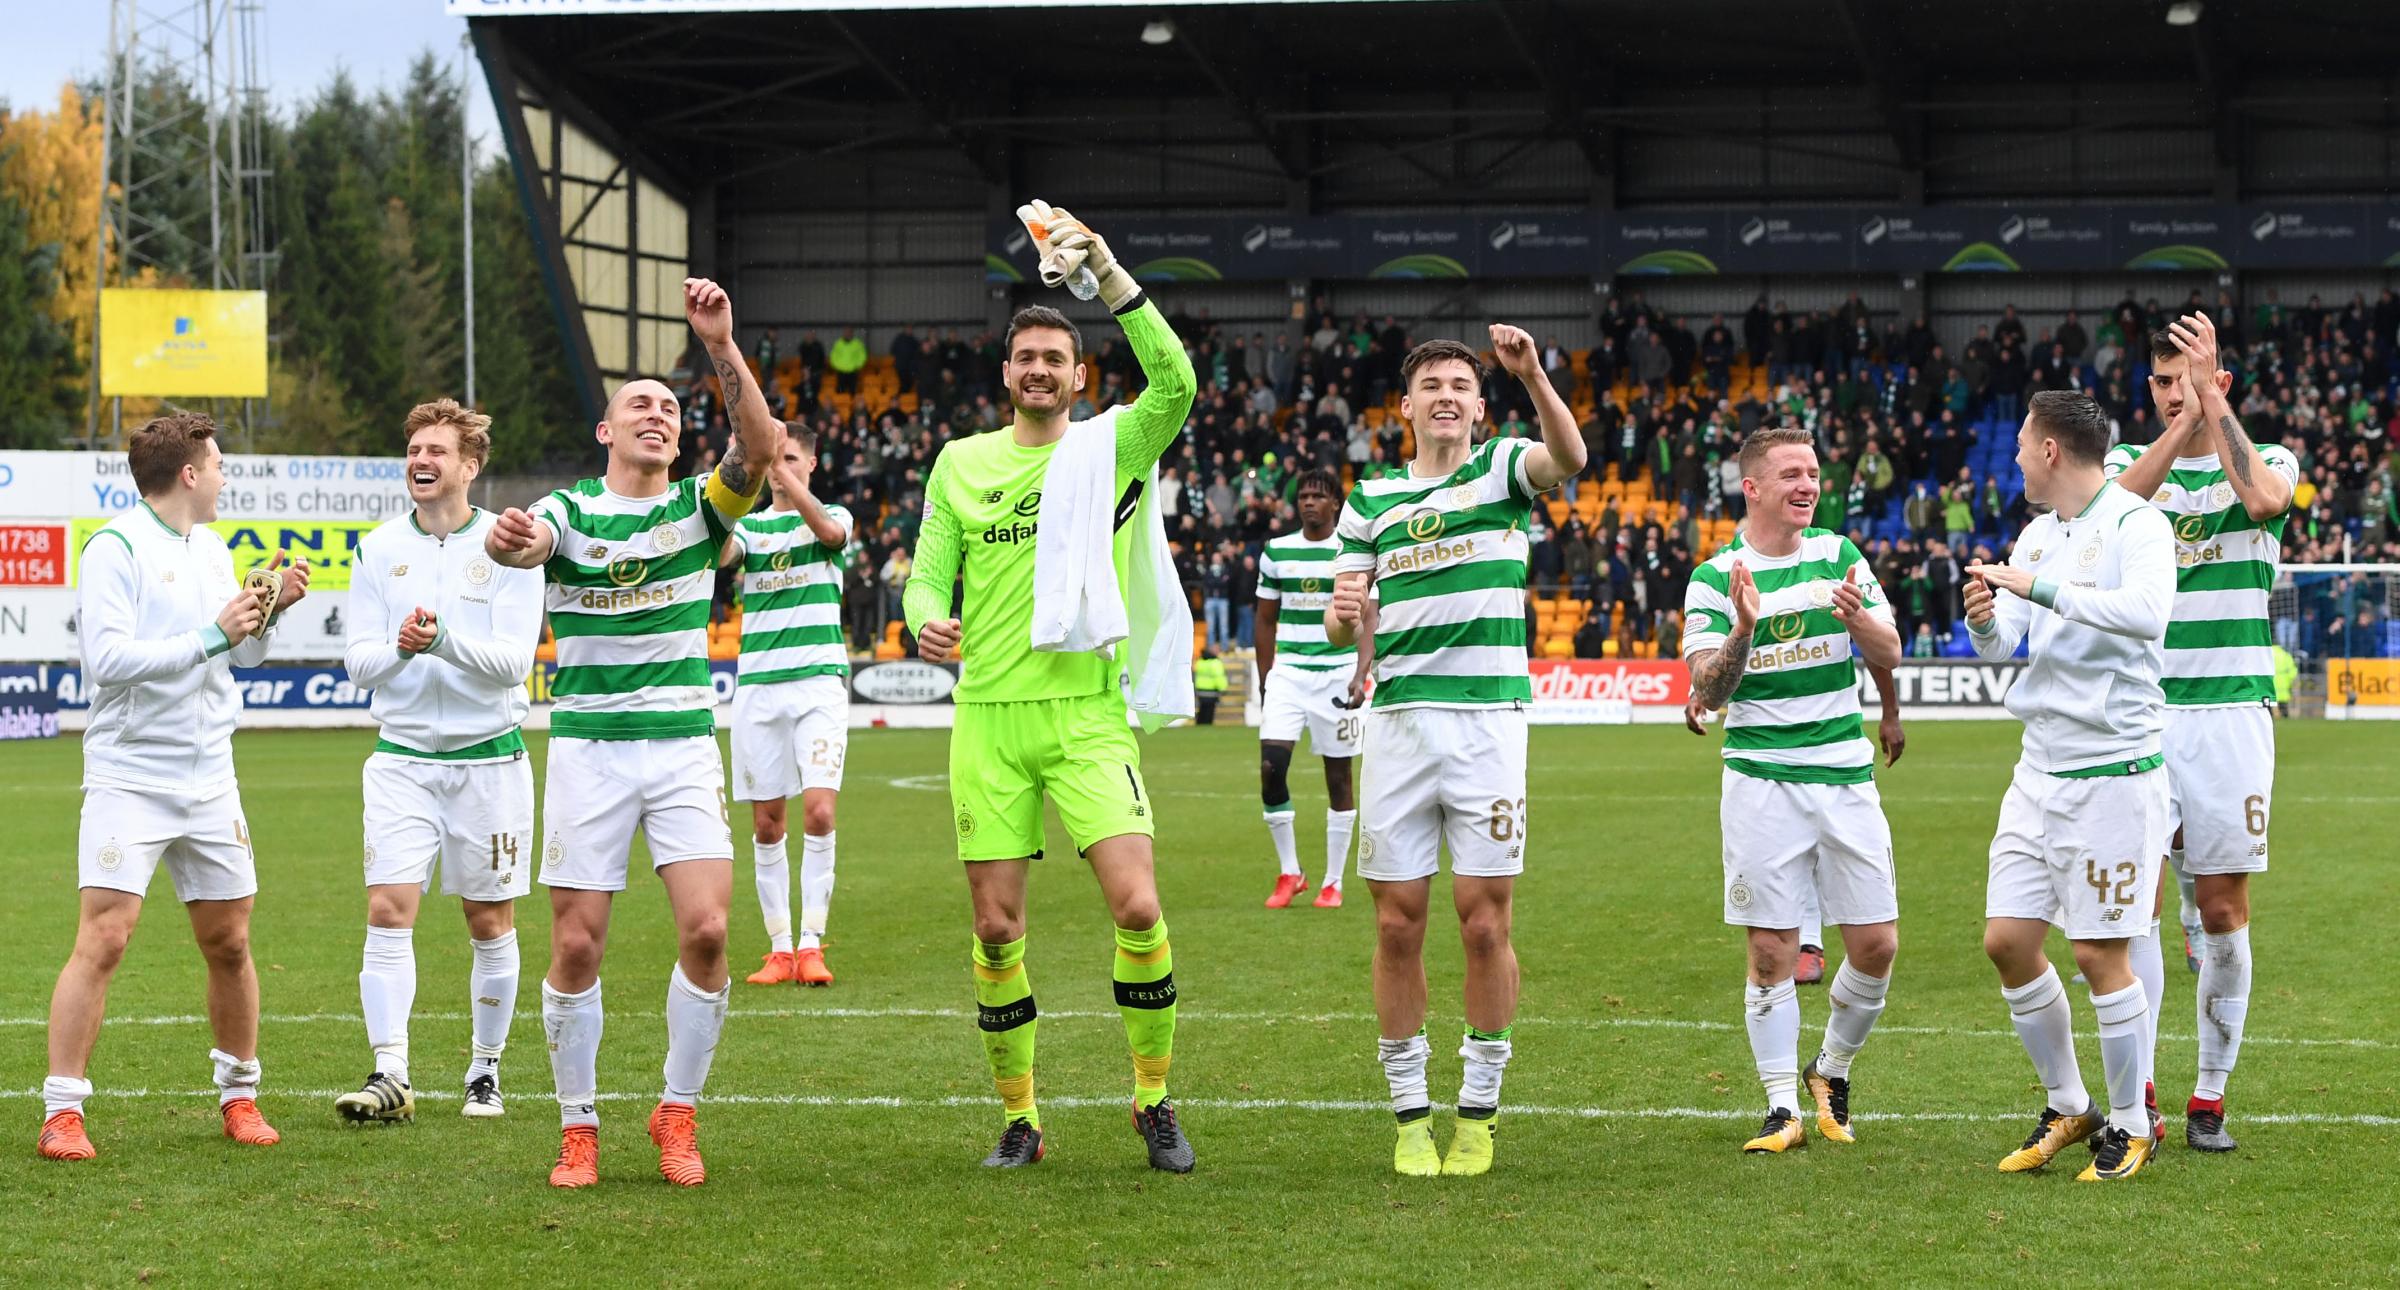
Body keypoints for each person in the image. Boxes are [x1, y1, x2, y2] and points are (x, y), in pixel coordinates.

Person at [901, 206, 1200, 1172]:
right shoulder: (960, 462)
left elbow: (1180, 381)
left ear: (1080, 376)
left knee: (1139, 908)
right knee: (995, 929)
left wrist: (1107, 272)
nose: (1039, 370)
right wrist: (918, 616)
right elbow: (924, 569)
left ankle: (1151, 1100)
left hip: (1086, 715)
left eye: (1055, 360)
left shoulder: (1112, 448)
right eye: (1024, 357)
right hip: (986, 716)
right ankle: (1020, 1119)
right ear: (1007, 374)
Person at [485, 277, 779, 1189]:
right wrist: (513, 543)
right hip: (589, 751)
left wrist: (720, 347)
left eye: (666, 405)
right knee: (575, 947)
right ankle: (579, 1128)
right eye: (635, 406)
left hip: (683, 747)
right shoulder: (573, 511)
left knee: (708, 933)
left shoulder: (702, 508)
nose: (655, 412)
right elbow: (534, 542)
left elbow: (761, 447)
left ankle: (676, 1112)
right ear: (606, 433)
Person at [1326, 325, 1586, 1178]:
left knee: (1484, 921)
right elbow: (1345, 621)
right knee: (1397, 921)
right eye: (1430, 384)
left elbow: (1571, 457)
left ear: (1478, 406)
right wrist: (1341, 612)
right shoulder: (1369, 501)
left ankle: (1478, 1112)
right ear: (1404, 407)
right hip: (1399, 728)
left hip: (1488, 727)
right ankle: (1409, 1116)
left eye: (1459, 386)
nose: (1445, 395)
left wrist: (1534, 374)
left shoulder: (1504, 468)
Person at [39, 412, 310, 1161]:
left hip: (211, 776)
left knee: (230, 941)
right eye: (218, 464)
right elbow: (109, 661)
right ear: (189, 474)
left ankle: (240, 1095)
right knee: (106, 936)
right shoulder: (114, 547)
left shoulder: (212, 546)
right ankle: (62, 1111)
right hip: (132, 774)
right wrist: (217, 634)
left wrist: (266, 618)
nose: (224, 476)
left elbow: (239, 662)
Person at [1966, 390, 2176, 1182]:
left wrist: (2034, 588)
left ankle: (2130, 1124)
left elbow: (2148, 613)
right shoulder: (2037, 534)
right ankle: (2070, 1102)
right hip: (2038, 767)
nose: (2015, 455)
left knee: (2098, 953)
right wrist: (1988, 617)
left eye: (2023, 442)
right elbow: (2003, 649)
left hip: (2112, 771)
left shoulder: (2136, 523)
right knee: (2008, 942)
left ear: (2052, 449)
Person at [2104, 315, 2298, 1153]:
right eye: (2160, 380)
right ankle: (2138, 1094)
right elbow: (2110, 513)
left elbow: (2263, 501)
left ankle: (2208, 1097)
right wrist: (2186, 419)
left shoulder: (2271, 458)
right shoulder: (2122, 470)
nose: (2172, 390)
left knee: (2220, 908)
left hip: (2230, 715)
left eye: (2189, 374)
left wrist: (2212, 410)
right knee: (2135, 912)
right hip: (2143, 713)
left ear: (2219, 378)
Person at [1679, 427, 1902, 1154]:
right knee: (1771, 952)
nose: (1807, 485)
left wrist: (1860, 618)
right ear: (1751, 487)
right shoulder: (1716, 579)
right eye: (1790, 475)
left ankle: (1830, 1068)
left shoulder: (1840, 556)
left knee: (1875, 946)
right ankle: (1781, 1107)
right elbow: (1707, 691)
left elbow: (1891, 650)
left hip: (1844, 777)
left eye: (1812, 472)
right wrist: (1744, 628)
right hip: (1761, 781)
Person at [334, 399, 543, 1125]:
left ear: (471, 466)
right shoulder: (376, 548)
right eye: (414, 448)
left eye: (437, 451)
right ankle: (391, 1071)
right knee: (388, 911)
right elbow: (359, 664)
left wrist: (442, 639)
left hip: (490, 764)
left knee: (489, 922)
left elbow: (515, 661)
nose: (421, 461)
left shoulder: (513, 543)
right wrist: (399, 646)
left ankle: (484, 1071)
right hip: (401, 761)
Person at [719, 424, 853, 989]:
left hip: (818, 684)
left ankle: (812, 943)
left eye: (792, 457)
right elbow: (721, 550)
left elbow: (829, 534)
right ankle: (779, 949)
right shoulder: (751, 527)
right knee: (768, 824)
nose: (781, 466)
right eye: (776, 458)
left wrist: (784, 477)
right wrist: (741, 474)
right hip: (758, 691)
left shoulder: (836, 514)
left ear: (812, 463)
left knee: (820, 812)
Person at [1256, 468, 1375, 910]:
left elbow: (1368, 618)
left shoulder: (1351, 554)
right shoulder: (1277, 551)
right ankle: (1291, 872)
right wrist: (1266, 680)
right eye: (1304, 495)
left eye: (1318, 496)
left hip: (1336, 674)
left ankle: (1333, 881)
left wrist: (1362, 673)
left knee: (1339, 778)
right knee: (1271, 770)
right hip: (1289, 673)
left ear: (1335, 505)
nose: (1309, 502)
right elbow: (1265, 619)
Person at [1192, 649, 1227, 725]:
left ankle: (1199, 723)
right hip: (1212, 691)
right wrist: (1222, 688)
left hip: (1201, 690)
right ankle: (1207, 723)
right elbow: (1219, 677)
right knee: (1210, 710)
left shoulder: (1200, 662)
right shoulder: (1215, 663)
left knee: (1202, 708)